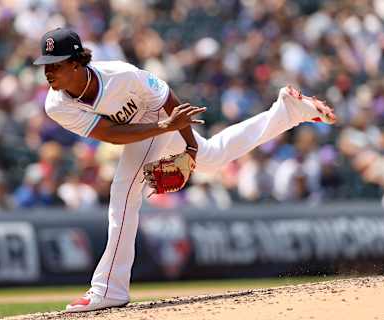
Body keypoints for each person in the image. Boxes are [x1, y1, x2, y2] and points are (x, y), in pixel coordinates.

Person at [33, 27, 336, 313]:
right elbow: (111, 134)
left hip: (159, 114)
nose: (47, 71)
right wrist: (177, 138)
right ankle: (286, 112)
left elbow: (167, 100)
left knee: (124, 194)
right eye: (45, 65)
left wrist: (188, 146)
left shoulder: (120, 75)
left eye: (54, 64)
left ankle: (109, 289)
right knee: (213, 156)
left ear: (75, 63)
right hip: (151, 126)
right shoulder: (56, 104)